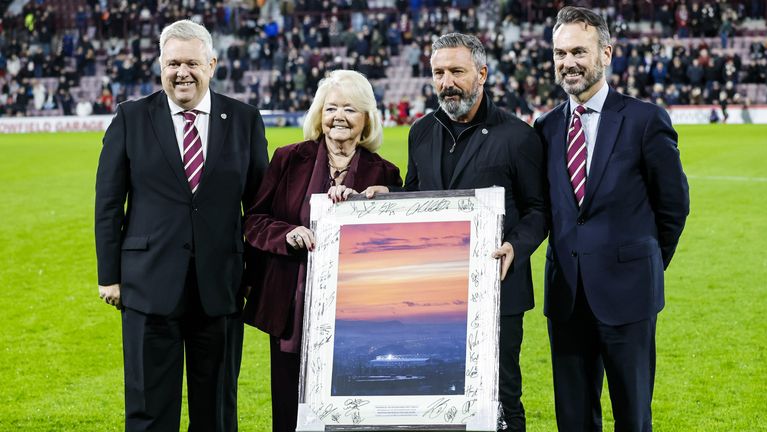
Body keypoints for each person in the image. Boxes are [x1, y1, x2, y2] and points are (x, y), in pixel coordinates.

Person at [366, 33, 548, 431]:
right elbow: (420, 195)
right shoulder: (420, 131)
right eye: (438, 73)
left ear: (481, 74)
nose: (446, 82)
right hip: (436, 292)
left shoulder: (518, 136)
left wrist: (515, 246)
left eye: (456, 72)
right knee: (439, 392)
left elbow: (538, 210)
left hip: (498, 289)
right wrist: (390, 197)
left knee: (502, 396)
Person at [94, 19, 268, 431]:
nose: (182, 72)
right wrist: (109, 276)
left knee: (217, 412)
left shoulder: (244, 119)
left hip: (221, 285)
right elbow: (108, 202)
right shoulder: (131, 117)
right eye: (173, 63)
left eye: (192, 63)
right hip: (147, 284)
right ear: (161, 66)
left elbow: (259, 206)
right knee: (149, 410)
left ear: (211, 65)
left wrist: (255, 276)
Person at [533, 7, 689, 431]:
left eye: (578, 52)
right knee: (573, 420)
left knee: (632, 418)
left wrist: (643, 263)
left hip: (629, 294)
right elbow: (544, 207)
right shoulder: (545, 128)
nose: (568, 63)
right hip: (566, 296)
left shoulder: (645, 119)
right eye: (560, 53)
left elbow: (674, 206)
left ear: (606, 53)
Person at [241, 69, 402, 432]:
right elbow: (254, 221)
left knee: (349, 409)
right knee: (289, 410)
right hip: (291, 307)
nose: (338, 117)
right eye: (331, 108)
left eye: (350, 109)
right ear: (319, 115)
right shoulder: (287, 159)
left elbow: (394, 244)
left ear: (367, 118)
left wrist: (366, 207)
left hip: (357, 314)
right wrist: (288, 234)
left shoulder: (385, 174)